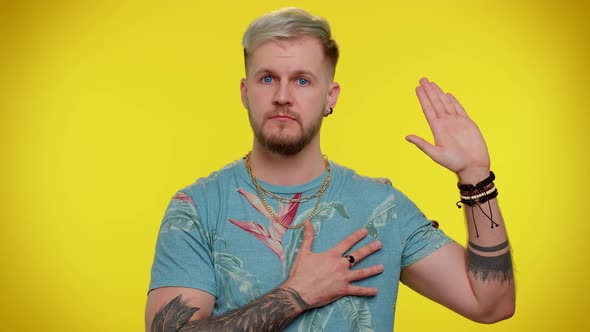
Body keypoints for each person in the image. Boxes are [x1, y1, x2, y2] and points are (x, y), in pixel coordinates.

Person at [145, 7, 515, 332]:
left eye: (302, 80)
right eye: (267, 78)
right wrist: (295, 296)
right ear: (245, 92)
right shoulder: (196, 208)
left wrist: (475, 176)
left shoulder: (381, 207)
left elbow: (491, 304)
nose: (283, 96)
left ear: (330, 96)